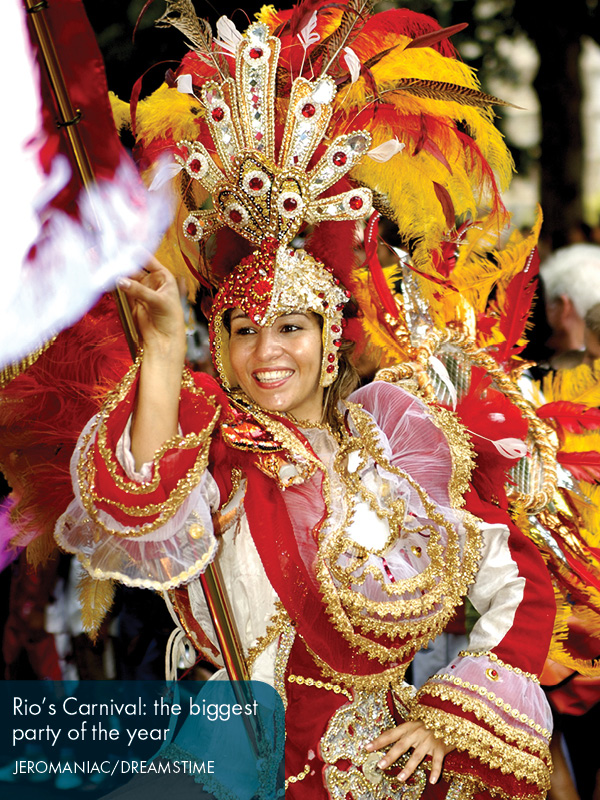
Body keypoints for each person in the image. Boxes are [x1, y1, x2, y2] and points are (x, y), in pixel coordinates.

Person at [47, 5, 559, 800]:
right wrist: (157, 349)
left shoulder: (399, 442)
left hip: (380, 771)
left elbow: (519, 587)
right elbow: (137, 495)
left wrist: (447, 717)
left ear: (329, 344)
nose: (267, 352)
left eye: (291, 326)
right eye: (244, 330)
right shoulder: (210, 440)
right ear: (218, 345)